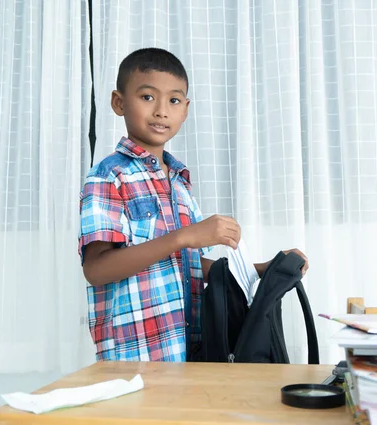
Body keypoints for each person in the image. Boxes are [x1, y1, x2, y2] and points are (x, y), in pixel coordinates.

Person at [78, 47, 308, 362]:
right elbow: (97, 269)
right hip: (137, 359)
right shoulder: (108, 177)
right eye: (147, 97)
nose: (161, 111)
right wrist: (183, 236)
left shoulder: (179, 182)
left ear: (185, 109)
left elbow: (186, 267)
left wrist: (262, 270)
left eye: (173, 100)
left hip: (189, 354)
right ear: (119, 103)